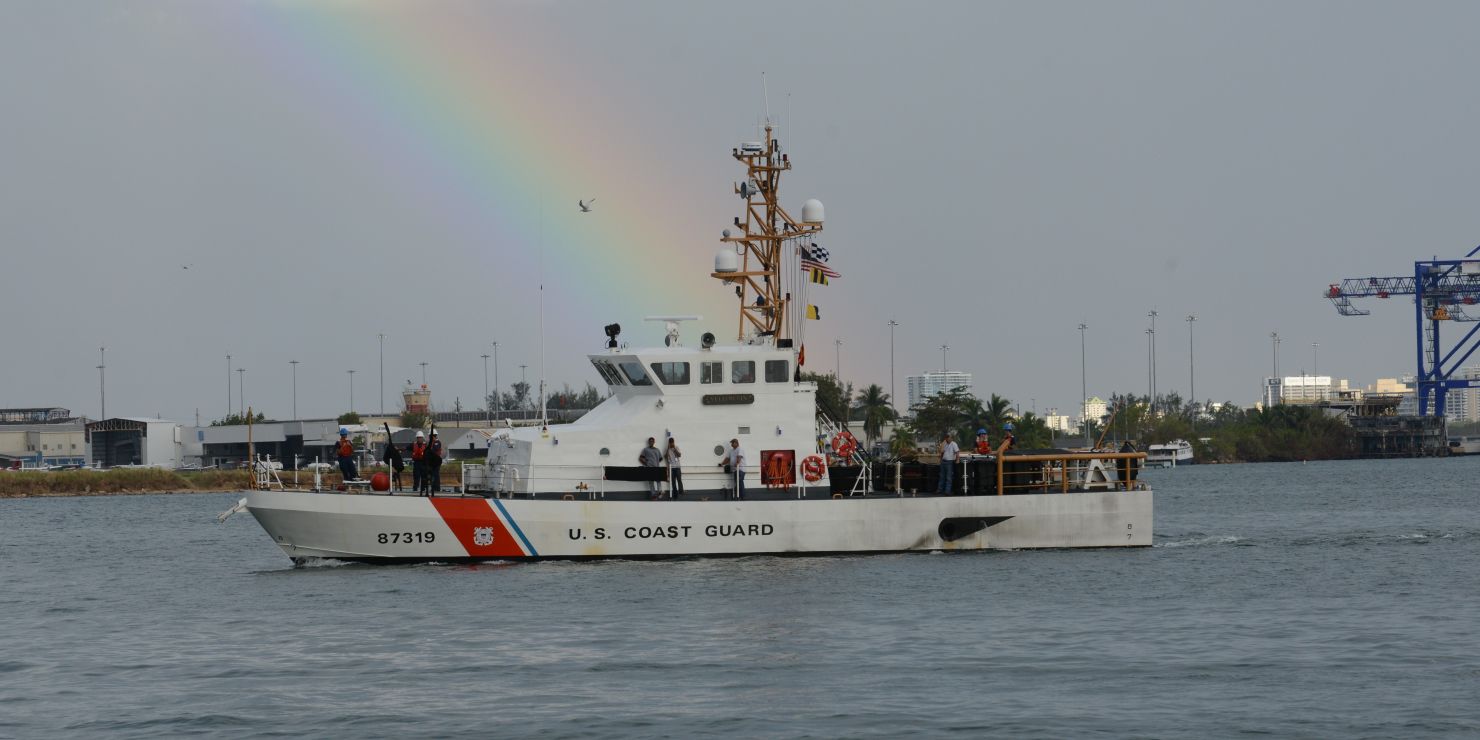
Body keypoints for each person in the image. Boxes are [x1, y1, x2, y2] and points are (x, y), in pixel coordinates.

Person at [423, 430, 444, 495]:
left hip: (436, 461)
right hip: (431, 462)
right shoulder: (430, 443)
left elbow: (435, 449)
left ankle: (437, 488)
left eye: (430, 436)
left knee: (436, 474)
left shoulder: (437, 442)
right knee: (431, 475)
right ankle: (433, 487)